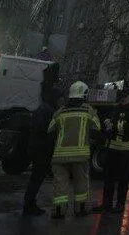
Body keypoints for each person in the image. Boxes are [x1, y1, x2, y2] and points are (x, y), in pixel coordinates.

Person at [48, 80, 101, 219]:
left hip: (59, 156)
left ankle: (59, 211)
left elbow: (50, 131)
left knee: (60, 184)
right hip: (80, 156)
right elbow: (97, 130)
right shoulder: (88, 111)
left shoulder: (60, 111)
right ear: (84, 94)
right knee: (81, 183)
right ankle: (80, 209)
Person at [93, 94, 129, 214]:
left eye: (125, 97)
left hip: (125, 152)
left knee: (123, 181)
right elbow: (106, 120)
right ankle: (106, 204)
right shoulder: (116, 109)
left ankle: (120, 205)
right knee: (108, 179)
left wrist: (114, 126)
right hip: (111, 149)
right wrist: (107, 123)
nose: (123, 99)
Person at [21, 86, 59, 216]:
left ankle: (30, 204)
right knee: (36, 178)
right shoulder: (48, 111)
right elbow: (47, 131)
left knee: (35, 178)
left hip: (36, 148)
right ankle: (29, 205)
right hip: (41, 150)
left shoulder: (42, 108)